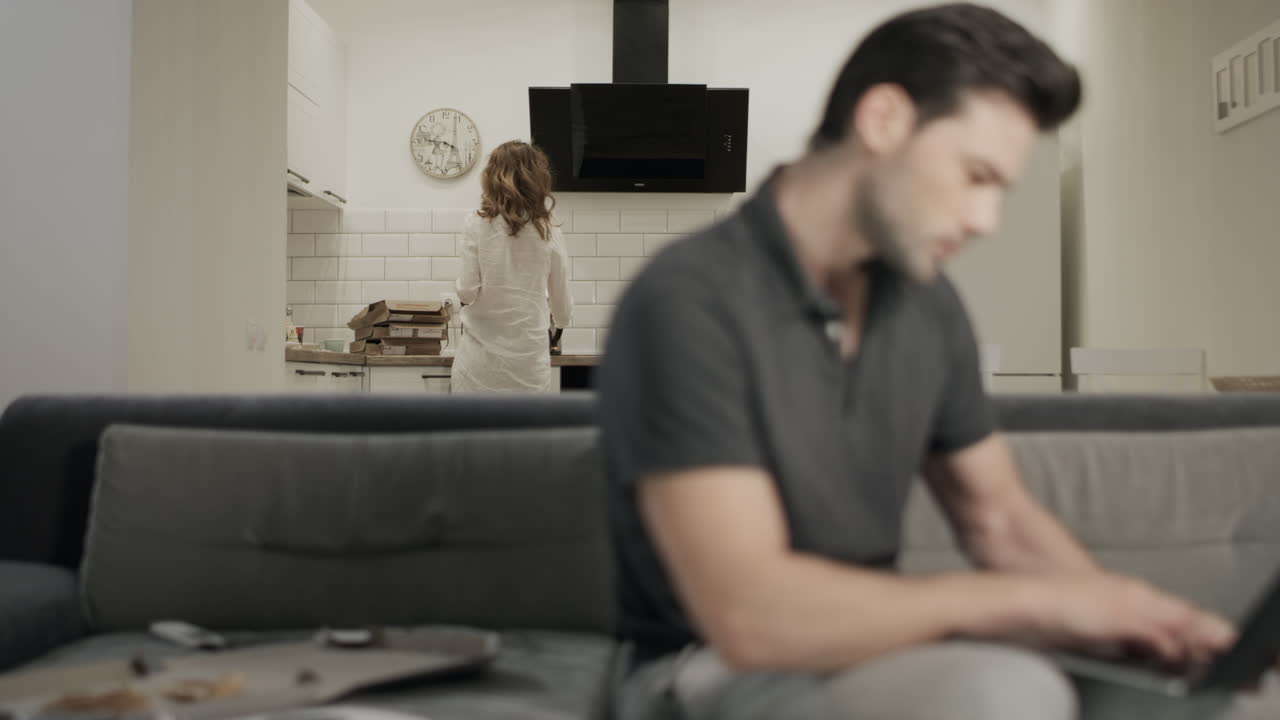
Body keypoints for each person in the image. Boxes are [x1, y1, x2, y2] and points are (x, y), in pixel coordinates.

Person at [599, 5, 1237, 719]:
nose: (986, 221)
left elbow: (998, 519)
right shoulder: (688, 301)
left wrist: (1145, 623)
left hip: (872, 651)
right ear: (884, 120)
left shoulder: (927, 307)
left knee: (1199, 702)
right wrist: (1036, 603)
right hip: (703, 667)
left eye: (1001, 190)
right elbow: (750, 617)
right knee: (1004, 693)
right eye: (975, 175)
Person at [451, 140, 572, 393]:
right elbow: (562, 309)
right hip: (529, 369)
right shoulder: (549, 230)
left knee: (471, 421)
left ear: (491, 177)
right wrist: (559, 322)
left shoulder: (476, 224)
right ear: (538, 178)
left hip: (479, 367)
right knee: (526, 422)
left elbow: (467, 292)